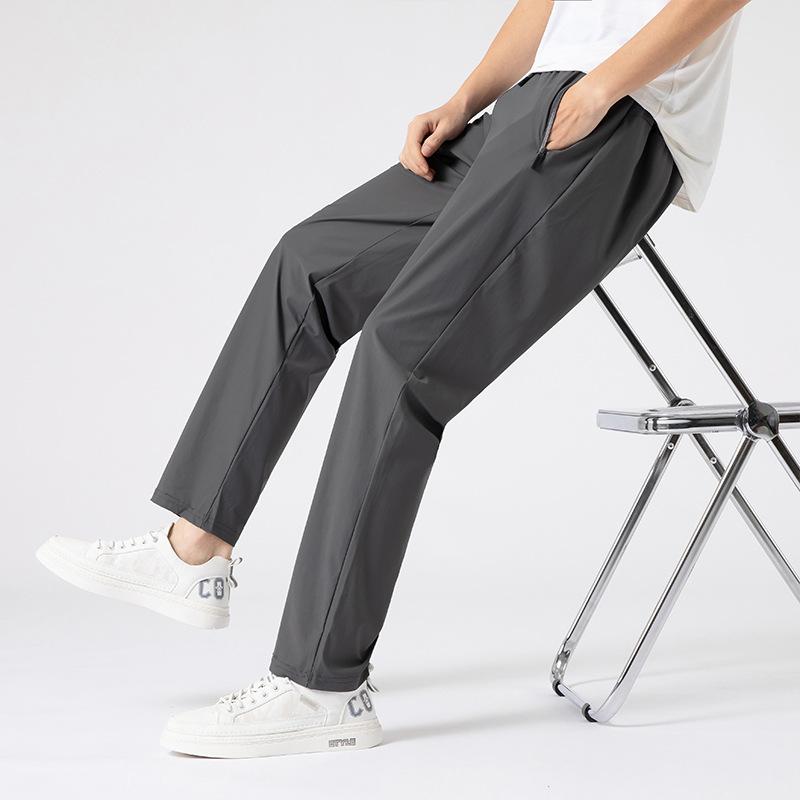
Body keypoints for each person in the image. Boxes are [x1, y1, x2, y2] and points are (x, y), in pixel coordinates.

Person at [35, 0, 748, 758]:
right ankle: (193, 549)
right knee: (309, 265)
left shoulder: (609, 96)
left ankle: (325, 687)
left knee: (403, 353)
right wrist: (467, 100)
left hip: (620, 110)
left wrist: (602, 88)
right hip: (534, 102)